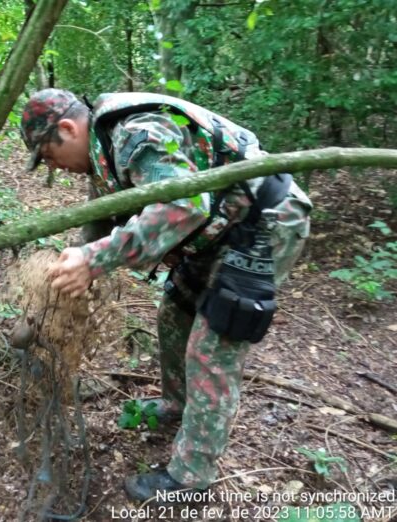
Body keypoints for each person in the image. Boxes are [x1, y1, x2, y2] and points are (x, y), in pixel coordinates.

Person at [20, 88, 312, 501]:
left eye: (48, 155)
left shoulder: (137, 135)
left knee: (212, 347)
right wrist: (70, 277)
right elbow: (99, 225)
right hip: (218, 231)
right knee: (174, 313)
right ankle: (178, 407)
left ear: (68, 128)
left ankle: (191, 479)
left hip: (263, 223)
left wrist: (93, 260)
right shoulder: (105, 153)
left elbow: (185, 205)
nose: (54, 167)